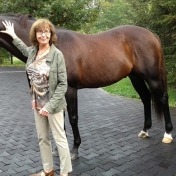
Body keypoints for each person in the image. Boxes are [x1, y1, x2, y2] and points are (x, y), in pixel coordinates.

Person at [1, 19, 72, 176]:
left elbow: (62, 85)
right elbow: (23, 49)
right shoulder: (33, 52)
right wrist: (12, 35)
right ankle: (48, 170)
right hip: (37, 102)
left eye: (47, 31)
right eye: (40, 31)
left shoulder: (57, 55)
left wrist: (49, 106)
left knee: (59, 139)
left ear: (51, 34)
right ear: (35, 34)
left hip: (53, 104)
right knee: (42, 139)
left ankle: (65, 172)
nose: (43, 34)